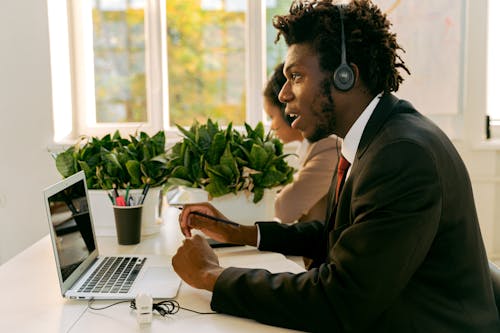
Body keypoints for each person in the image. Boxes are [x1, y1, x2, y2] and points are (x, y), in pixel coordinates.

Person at [172, 1, 500, 332]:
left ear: (345, 77)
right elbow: (339, 236)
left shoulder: (401, 154)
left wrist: (211, 276)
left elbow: (340, 301)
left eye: (296, 76)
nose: (284, 93)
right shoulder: (373, 137)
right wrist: (237, 233)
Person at [264, 62, 340, 224]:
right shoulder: (312, 147)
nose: (272, 125)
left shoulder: (329, 148)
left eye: (272, 116)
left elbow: (282, 211)